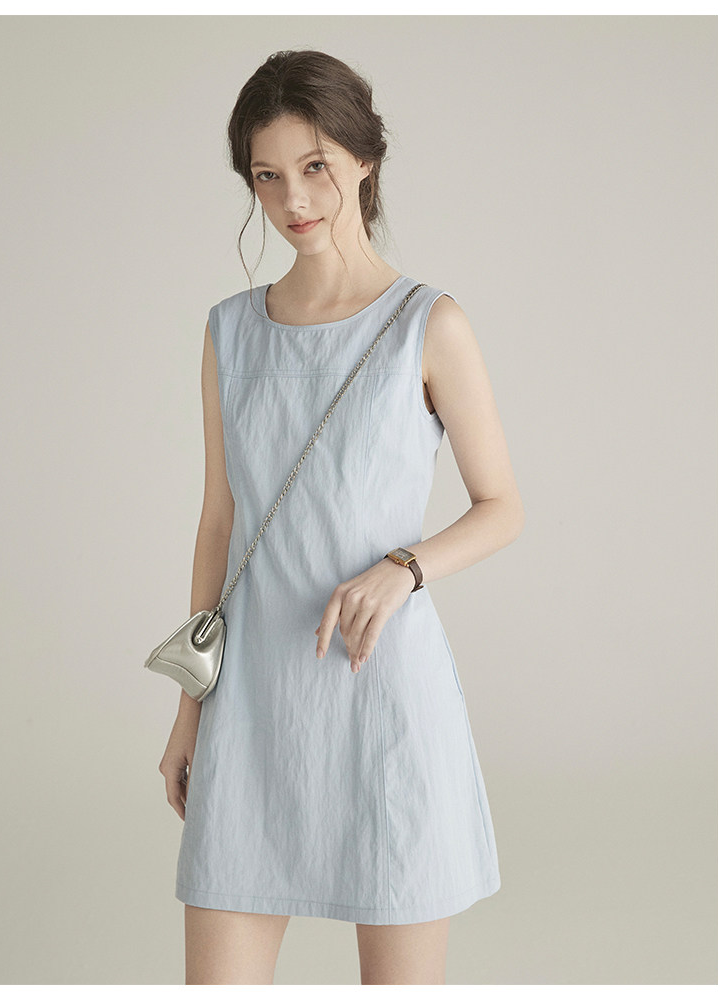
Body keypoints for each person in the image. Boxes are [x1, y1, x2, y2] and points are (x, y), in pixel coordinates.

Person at [157, 49, 525, 985]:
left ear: (365, 157)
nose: (293, 200)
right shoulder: (230, 332)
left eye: (314, 166)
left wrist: (404, 568)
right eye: (266, 176)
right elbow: (219, 521)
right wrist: (190, 711)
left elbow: (502, 507)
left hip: (383, 698)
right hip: (251, 707)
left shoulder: (428, 324)